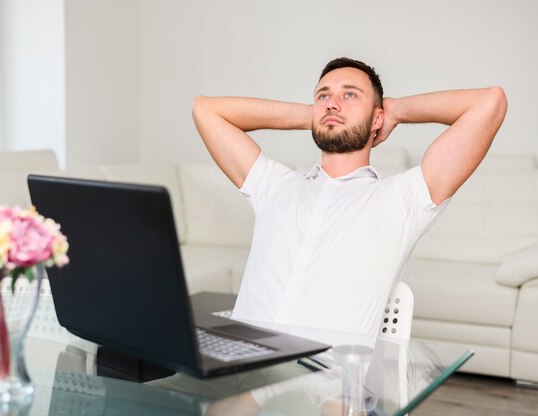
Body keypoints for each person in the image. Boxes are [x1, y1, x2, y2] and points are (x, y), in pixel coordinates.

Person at [151, 57, 507, 414]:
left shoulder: (403, 199)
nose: (332, 102)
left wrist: (395, 110)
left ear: (377, 117)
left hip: (327, 389)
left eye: (350, 95)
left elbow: (489, 103)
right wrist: (314, 115)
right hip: (239, 375)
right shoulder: (274, 185)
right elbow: (206, 110)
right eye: (323, 95)